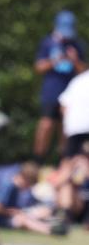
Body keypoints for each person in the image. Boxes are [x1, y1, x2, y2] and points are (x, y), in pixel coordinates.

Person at [33, 11, 86, 162]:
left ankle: (64, 161)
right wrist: (54, 61)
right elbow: (38, 67)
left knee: (65, 128)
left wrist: (75, 60)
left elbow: (84, 71)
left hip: (70, 94)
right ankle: (38, 160)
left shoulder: (77, 45)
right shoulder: (47, 42)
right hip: (51, 92)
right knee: (46, 125)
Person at [0, 162, 67, 235]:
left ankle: (52, 225)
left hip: (12, 215)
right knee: (22, 219)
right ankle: (50, 230)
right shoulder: (8, 185)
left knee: (42, 212)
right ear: (25, 178)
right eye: (29, 184)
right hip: (0, 220)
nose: (28, 187)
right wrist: (13, 213)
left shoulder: (16, 188)